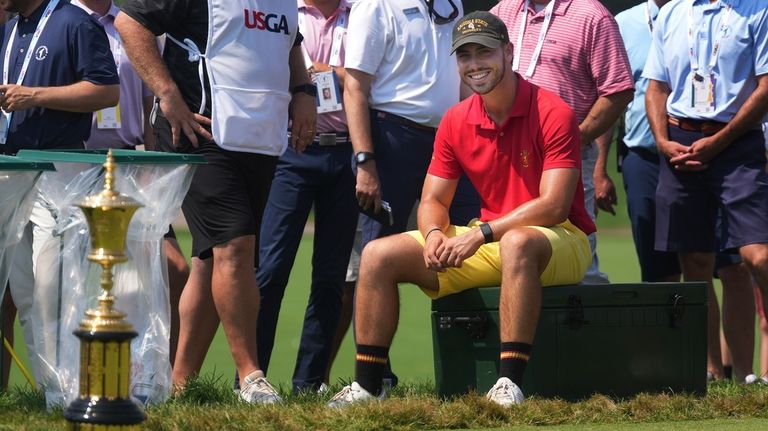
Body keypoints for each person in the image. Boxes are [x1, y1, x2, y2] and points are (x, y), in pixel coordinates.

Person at [327, 11, 594, 407]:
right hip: (491, 237)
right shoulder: (455, 119)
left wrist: (481, 233)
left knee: (518, 242)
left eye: (483, 52)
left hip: (562, 239)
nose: (474, 65)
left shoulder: (553, 111)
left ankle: (509, 384)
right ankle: (369, 386)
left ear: (508, 51)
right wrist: (435, 233)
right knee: (378, 254)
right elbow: (434, 200)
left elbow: (554, 206)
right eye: (464, 55)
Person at [116, 0, 316, 403]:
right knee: (235, 246)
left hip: (259, 139)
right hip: (199, 133)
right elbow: (128, 22)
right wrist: (168, 93)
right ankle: (251, 377)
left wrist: (304, 90)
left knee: (210, 262)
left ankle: (180, 386)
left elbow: (290, 42)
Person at [644, 0, 768, 383]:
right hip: (679, 141)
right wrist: (662, 141)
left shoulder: (759, 9)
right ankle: (712, 372)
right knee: (695, 262)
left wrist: (720, 142)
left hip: (737, 141)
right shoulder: (672, 11)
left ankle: (746, 372)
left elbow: (766, 88)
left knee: (757, 257)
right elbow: (656, 87)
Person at [0, 0, 119, 389]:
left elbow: (106, 91)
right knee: (26, 295)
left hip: (59, 172)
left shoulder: (75, 22)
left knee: (53, 290)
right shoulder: (11, 28)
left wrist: (34, 96)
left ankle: (68, 390)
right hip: (13, 173)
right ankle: (52, 392)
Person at [69, 0, 190, 368]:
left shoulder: (133, 20)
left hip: (131, 163)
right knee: (82, 276)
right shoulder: (62, 19)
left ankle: (156, 376)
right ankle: (84, 373)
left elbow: (152, 99)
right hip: (79, 162)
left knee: (172, 268)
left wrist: (156, 165)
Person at [491, 0, 634, 284]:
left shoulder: (592, 15)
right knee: (506, 251)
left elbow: (617, 90)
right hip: (506, 156)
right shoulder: (502, 11)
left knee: (577, 265)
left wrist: (571, 139)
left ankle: (584, 325)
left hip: (565, 157)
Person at [254, 0, 357, 393]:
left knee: (331, 277)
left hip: (346, 151)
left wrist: (334, 74)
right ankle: (251, 380)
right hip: (290, 151)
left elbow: (374, 78)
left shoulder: (362, 15)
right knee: (270, 270)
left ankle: (309, 384)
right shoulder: (284, 12)